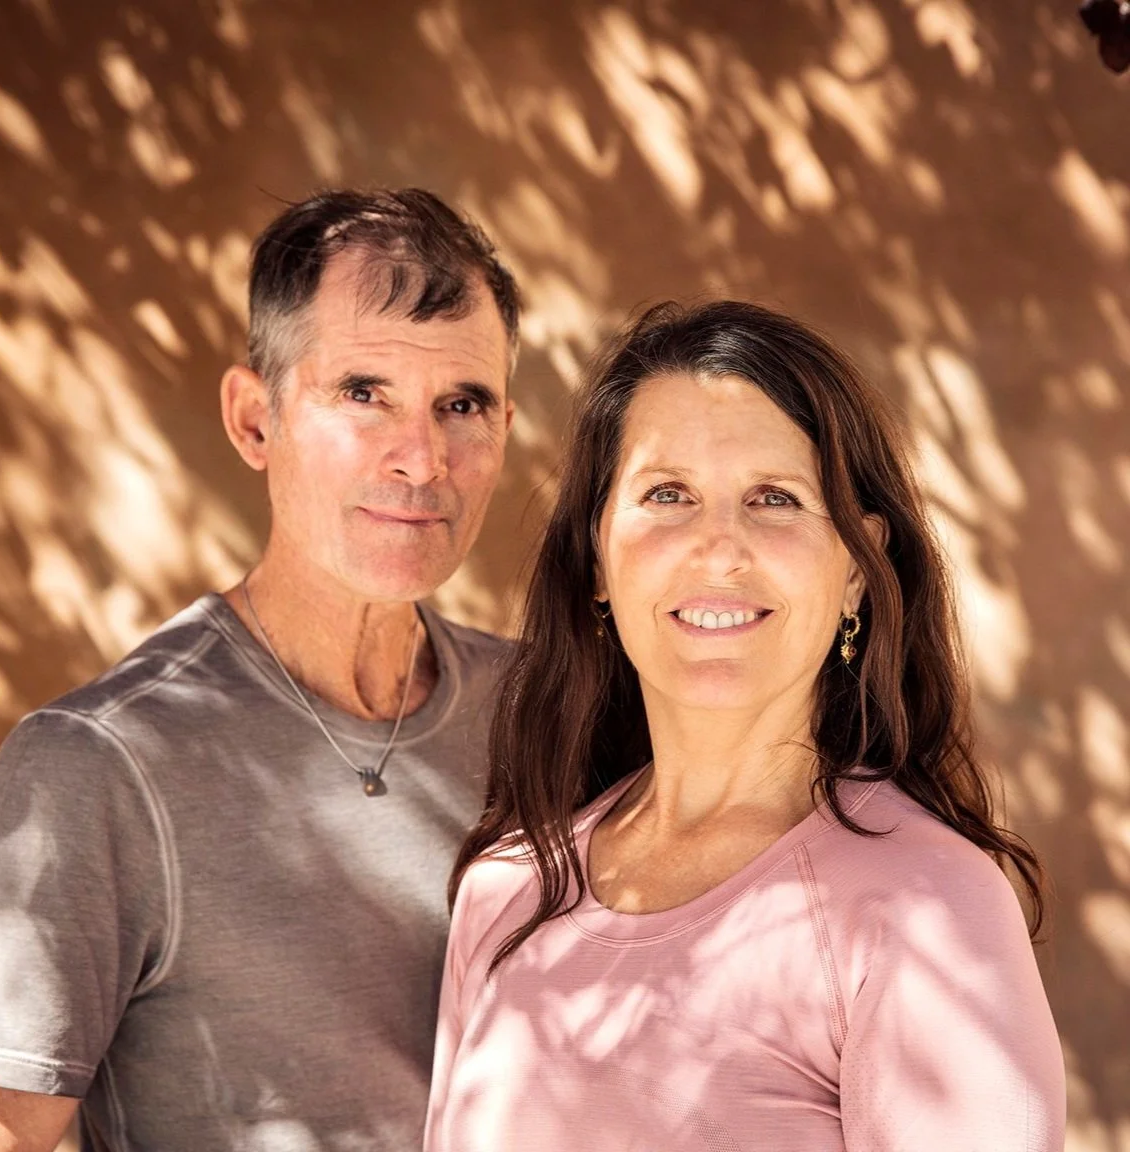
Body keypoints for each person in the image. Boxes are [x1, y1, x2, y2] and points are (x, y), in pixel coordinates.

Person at [425, 300, 1066, 1151]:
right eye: (668, 495)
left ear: (856, 568)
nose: (719, 548)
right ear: (598, 559)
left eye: (774, 499)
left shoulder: (925, 907)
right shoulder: (508, 890)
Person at [0, 188, 519, 1152]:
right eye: (364, 393)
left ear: (505, 427)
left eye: (462, 404)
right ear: (255, 420)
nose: (423, 458)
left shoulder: (550, 717)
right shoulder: (99, 765)